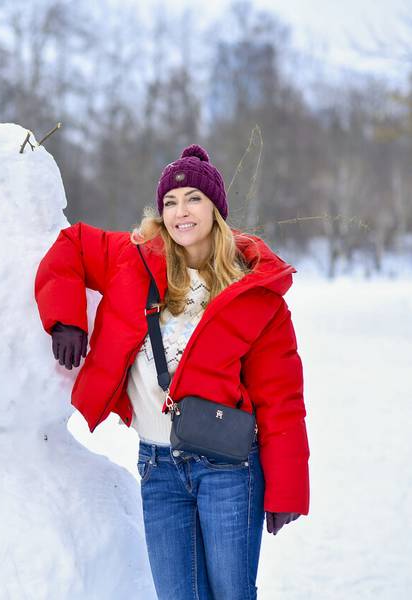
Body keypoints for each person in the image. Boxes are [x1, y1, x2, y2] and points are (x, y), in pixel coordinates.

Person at [34, 144, 309, 599]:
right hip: (157, 466)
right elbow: (71, 247)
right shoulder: (133, 258)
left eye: (193, 199)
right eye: (170, 201)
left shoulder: (253, 293)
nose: (181, 211)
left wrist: (286, 488)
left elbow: (281, 397)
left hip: (229, 469)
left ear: (216, 209)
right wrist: (65, 318)